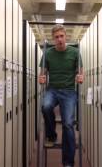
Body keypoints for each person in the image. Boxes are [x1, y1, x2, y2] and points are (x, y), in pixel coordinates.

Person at [39, 24, 84, 167]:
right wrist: (41, 78)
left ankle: (68, 163)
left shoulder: (74, 53)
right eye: (56, 37)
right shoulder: (48, 53)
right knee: (46, 107)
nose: (59, 39)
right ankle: (51, 135)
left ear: (66, 37)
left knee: (68, 125)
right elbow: (42, 74)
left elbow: (81, 73)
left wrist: (80, 77)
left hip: (69, 91)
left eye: (61, 36)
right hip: (52, 90)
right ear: (53, 39)